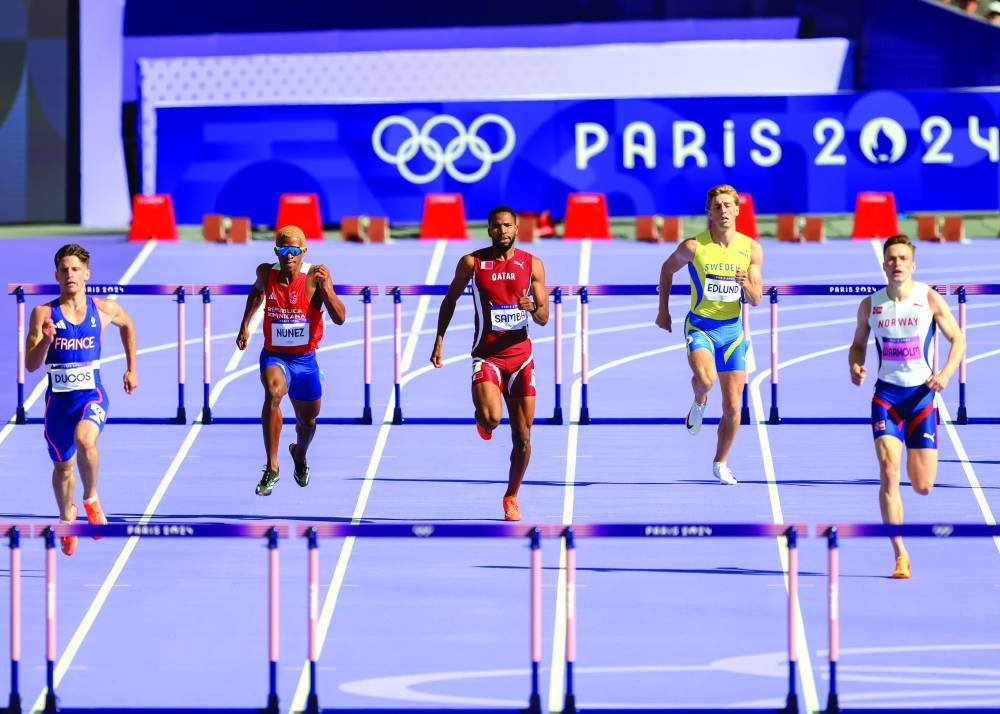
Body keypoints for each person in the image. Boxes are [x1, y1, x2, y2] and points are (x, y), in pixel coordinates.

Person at [848, 234, 965, 579]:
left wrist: (944, 373)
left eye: (903, 258)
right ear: (883, 264)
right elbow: (856, 346)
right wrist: (854, 365)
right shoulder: (871, 305)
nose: (896, 263)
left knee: (923, 485)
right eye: (891, 259)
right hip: (887, 398)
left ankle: (916, 487)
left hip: (922, 400)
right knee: (889, 474)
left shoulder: (928, 298)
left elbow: (957, 339)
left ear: (913, 265)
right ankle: (900, 554)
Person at [430, 206, 549, 521]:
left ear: (516, 228)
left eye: (507, 226)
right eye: (496, 227)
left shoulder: (532, 265)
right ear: (489, 230)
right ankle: (484, 423)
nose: (502, 231)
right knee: (492, 418)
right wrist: (439, 339)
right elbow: (450, 300)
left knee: (523, 438)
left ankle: (511, 496)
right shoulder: (473, 262)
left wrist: (533, 306)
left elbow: (543, 317)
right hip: (487, 356)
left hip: (521, 359)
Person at [25, 244, 139, 556]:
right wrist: (47, 340)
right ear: (56, 275)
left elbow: (128, 324)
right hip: (58, 404)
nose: (69, 274)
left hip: (92, 394)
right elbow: (31, 364)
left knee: (86, 440)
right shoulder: (42, 313)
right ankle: (67, 518)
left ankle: (91, 500)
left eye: (75, 269)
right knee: (63, 468)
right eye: (64, 269)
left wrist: (132, 368)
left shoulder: (102, 309)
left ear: (87, 274)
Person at [655, 184, 763, 485]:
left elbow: (756, 299)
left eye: (729, 205)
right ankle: (699, 401)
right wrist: (663, 311)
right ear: (710, 213)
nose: (724, 211)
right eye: (718, 207)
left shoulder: (751, 248)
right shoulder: (694, 247)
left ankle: (720, 462)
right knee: (705, 380)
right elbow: (666, 270)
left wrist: (746, 284)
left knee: (732, 406)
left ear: (738, 209)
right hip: (701, 327)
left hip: (732, 333)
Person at [236, 225, 346, 496]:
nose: (289, 256)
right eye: (283, 250)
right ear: (277, 251)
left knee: (308, 422)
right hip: (275, 355)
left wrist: (326, 289)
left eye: (294, 251)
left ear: (303, 252)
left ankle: (299, 454)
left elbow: (340, 317)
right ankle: (272, 467)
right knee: (273, 393)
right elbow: (256, 292)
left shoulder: (315, 277)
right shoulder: (266, 272)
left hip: (305, 360)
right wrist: (244, 325)